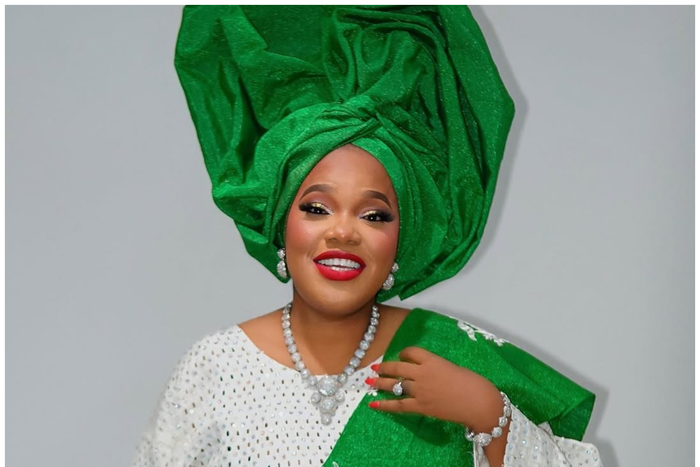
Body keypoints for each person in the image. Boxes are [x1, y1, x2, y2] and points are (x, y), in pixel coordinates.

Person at [133, 6, 603, 467]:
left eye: (374, 215)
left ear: (402, 240)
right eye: (316, 208)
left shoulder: (449, 359)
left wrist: (488, 414)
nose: (343, 231)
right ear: (280, 224)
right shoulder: (214, 370)